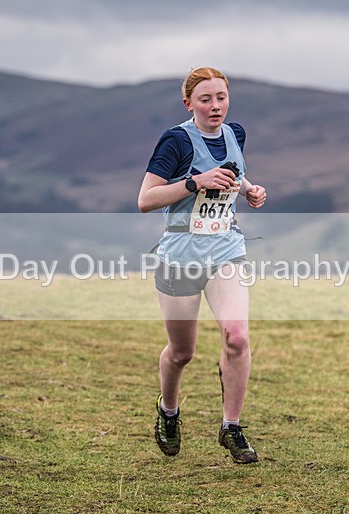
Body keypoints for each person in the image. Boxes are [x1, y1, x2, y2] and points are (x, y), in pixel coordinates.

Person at [137, 67, 267, 464]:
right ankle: (169, 411)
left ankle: (232, 427)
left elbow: (234, 173)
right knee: (182, 352)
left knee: (237, 336)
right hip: (179, 256)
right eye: (206, 99)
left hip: (225, 249)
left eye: (221, 98)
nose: (215, 106)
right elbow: (145, 199)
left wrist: (250, 189)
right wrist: (195, 182)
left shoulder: (235, 133)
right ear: (188, 103)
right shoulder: (176, 141)